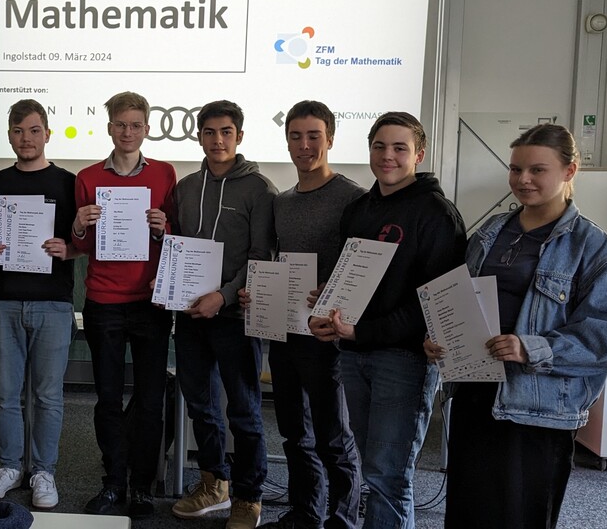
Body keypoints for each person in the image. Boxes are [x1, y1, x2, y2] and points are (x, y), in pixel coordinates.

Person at [425, 124, 607, 529]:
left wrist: (531, 348)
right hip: (475, 393)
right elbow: (460, 298)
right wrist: (440, 336)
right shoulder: (490, 232)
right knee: (468, 512)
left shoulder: (593, 248)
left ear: (569, 171)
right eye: (515, 168)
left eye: (537, 170)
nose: (523, 179)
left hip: (537, 409)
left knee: (521, 516)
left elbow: (604, 337)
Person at [310, 111, 466, 529]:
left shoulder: (437, 214)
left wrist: (362, 330)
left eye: (399, 147)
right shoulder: (359, 209)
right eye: (379, 146)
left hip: (404, 360)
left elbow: (433, 303)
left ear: (419, 154)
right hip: (354, 353)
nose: (387, 156)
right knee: (371, 468)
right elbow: (353, 280)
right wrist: (328, 300)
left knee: (389, 477)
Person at [242, 101, 365, 529]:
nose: (304, 145)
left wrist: (333, 292)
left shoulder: (353, 198)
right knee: (295, 432)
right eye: (296, 136)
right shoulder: (283, 201)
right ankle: (305, 512)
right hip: (285, 330)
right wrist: (257, 292)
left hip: (328, 333)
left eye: (314, 136)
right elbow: (276, 260)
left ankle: (344, 518)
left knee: (334, 435)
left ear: (330, 138)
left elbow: (360, 267)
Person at [171, 100, 277, 529]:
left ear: (240, 136)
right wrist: (170, 285)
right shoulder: (185, 187)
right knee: (201, 405)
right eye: (210, 132)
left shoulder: (260, 190)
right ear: (199, 136)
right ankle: (214, 483)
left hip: (236, 318)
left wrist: (225, 295)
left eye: (226, 132)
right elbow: (178, 245)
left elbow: (261, 256)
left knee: (244, 410)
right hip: (191, 316)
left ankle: (249, 496)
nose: (218, 140)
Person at [72, 91, 176, 518]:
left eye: (135, 125)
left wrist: (163, 229)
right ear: (109, 127)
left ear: (147, 129)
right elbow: (81, 247)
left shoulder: (166, 174)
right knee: (108, 398)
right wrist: (79, 225)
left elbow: (175, 240)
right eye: (120, 124)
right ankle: (114, 481)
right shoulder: (88, 177)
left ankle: (142, 487)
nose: (127, 132)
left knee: (150, 400)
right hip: (103, 300)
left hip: (151, 302)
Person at [0, 100, 79, 510]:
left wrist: (68, 249)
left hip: (52, 303)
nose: (26, 138)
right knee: (4, 393)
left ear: (47, 134)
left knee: (48, 395)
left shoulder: (69, 183)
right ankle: (9, 466)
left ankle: (43, 472)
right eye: (18, 131)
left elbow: (83, 243)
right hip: (3, 301)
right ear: (9, 135)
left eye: (34, 130)